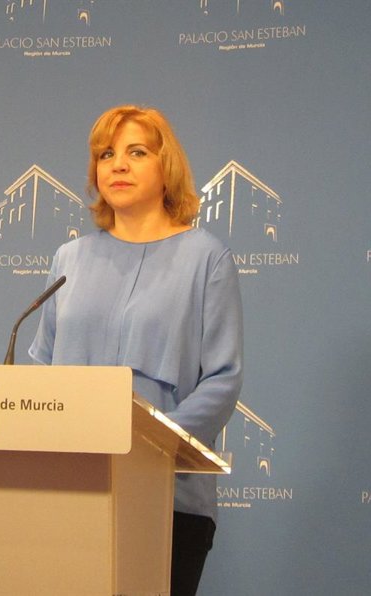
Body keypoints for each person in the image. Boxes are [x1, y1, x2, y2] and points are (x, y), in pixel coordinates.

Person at [28, 105, 243, 595]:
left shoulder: (207, 258)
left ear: (167, 167)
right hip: (71, 490)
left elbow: (223, 378)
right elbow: (42, 366)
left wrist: (150, 449)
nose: (118, 165)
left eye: (137, 152)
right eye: (106, 155)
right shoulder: (69, 259)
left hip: (167, 498)